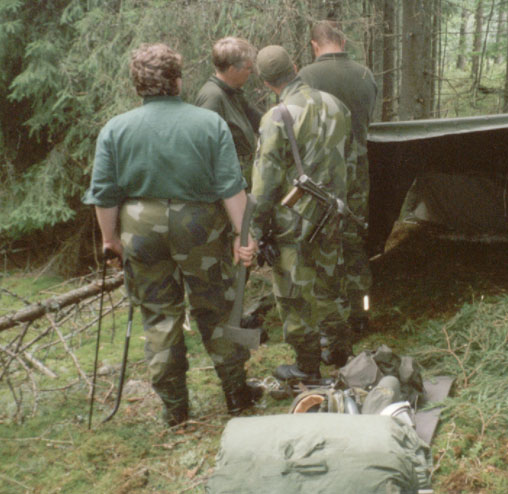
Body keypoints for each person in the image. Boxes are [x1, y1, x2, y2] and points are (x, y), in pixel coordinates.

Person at [83, 43, 261, 426]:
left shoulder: (115, 129)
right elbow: (231, 187)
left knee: (159, 316)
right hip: (200, 224)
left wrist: (110, 240)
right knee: (216, 307)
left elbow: (104, 194)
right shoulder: (208, 123)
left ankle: (175, 409)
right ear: (178, 81)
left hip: (140, 226)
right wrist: (242, 234)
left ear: (137, 84)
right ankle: (236, 394)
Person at [250, 45, 360, 381]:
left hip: (293, 223)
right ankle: (340, 352)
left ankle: (307, 367)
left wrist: (256, 230)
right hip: (333, 215)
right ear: (295, 67)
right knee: (331, 286)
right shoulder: (337, 106)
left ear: (265, 82)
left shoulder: (277, 117)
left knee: (294, 296)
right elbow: (353, 162)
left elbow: (264, 184)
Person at [298, 21, 376, 336]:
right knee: (354, 239)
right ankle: (360, 312)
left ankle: (328, 315)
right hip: (358, 170)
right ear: (342, 42)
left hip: (320, 175)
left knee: (321, 242)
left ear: (314, 45)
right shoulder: (365, 75)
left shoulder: (306, 77)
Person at [195, 37, 262, 185]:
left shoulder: (233, 93)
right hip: (228, 184)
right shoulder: (213, 97)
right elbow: (203, 149)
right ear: (232, 70)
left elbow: (260, 122)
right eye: (248, 68)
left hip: (241, 179)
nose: (251, 72)